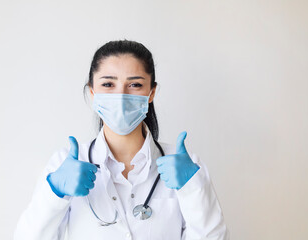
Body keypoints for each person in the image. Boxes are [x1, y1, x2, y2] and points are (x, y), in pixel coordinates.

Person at [14, 40, 229, 240]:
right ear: (92, 92)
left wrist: (192, 189)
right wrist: (54, 193)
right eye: (108, 84)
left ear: (151, 92)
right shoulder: (67, 164)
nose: (121, 95)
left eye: (135, 85)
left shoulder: (184, 165)